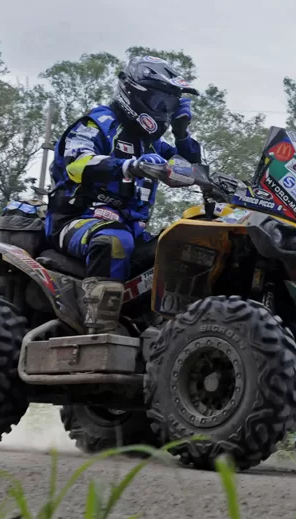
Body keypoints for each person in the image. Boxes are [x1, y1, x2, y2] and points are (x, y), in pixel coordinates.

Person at [45, 56, 203, 333]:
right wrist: (129, 166)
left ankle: (168, 330)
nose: (164, 111)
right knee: (114, 240)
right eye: (159, 102)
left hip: (132, 228)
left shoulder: (152, 142)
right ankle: (99, 328)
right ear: (133, 93)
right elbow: (76, 163)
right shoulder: (96, 124)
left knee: (180, 245)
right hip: (75, 220)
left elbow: (193, 169)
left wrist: (181, 134)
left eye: (170, 104)